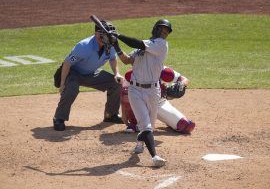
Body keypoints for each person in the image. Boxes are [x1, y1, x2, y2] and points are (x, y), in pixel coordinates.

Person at [110, 19, 172, 167]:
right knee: (146, 126)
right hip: (135, 90)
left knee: (150, 124)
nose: (164, 34)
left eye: (166, 33)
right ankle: (155, 157)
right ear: (156, 29)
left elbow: (135, 43)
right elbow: (126, 60)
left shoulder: (161, 45)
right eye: (162, 31)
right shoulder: (139, 50)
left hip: (153, 91)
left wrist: (117, 36)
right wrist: (116, 45)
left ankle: (139, 142)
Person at [53, 20, 124, 131]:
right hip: (74, 73)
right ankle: (59, 118)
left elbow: (113, 59)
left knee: (117, 83)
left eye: (110, 35)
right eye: (106, 34)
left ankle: (111, 115)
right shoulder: (84, 46)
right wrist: (62, 84)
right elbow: (67, 63)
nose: (108, 37)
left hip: (92, 73)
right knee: (71, 89)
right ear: (97, 34)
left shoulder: (111, 44)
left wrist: (117, 73)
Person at [121, 67, 196, 134]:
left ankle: (169, 121)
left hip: (159, 104)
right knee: (127, 94)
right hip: (141, 105)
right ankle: (135, 122)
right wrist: (124, 115)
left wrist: (181, 84)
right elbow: (124, 95)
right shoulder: (133, 74)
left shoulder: (163, 71)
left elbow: (183, 78)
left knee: (185, 125)